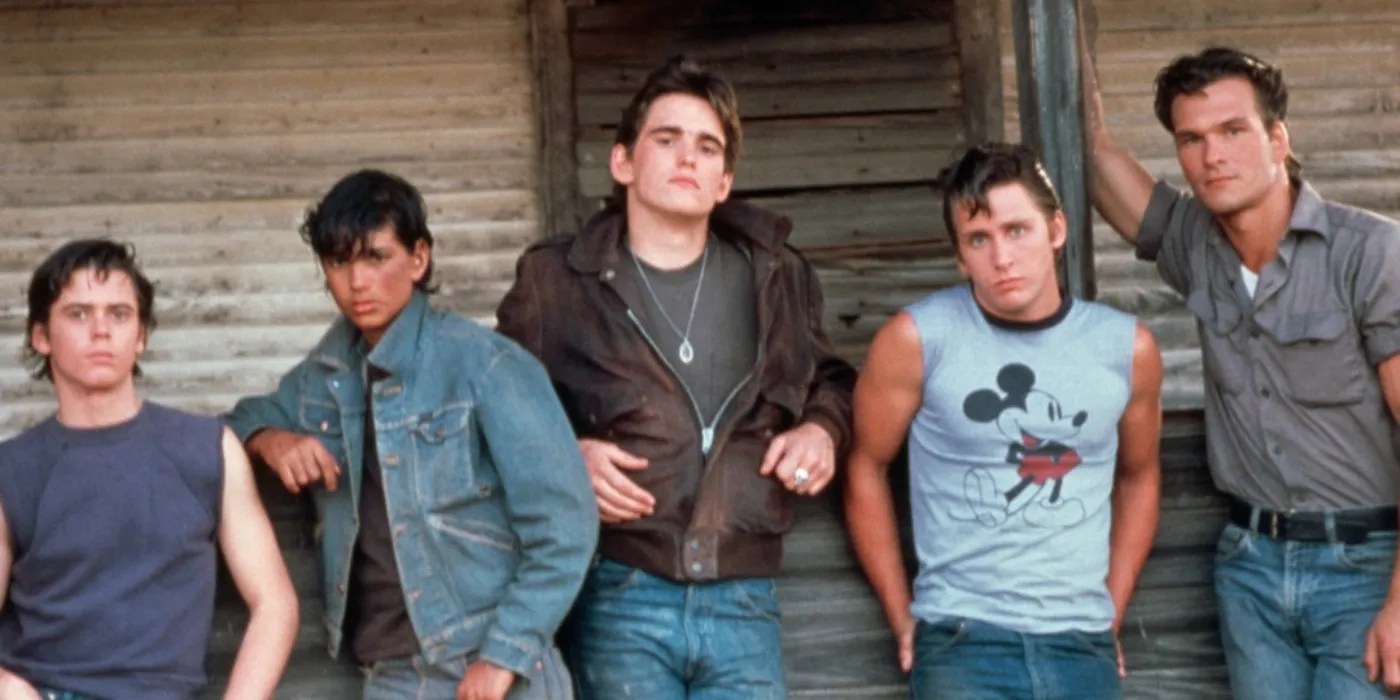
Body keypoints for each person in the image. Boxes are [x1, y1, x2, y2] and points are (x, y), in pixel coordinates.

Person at [495, 55, 856, 699]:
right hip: (620, 589)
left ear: (724, 182)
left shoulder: (779, 275)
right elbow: (494, 412)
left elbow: (833, 382)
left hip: (746, 595)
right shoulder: (555, 283)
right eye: (666, 139)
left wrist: (822, 431)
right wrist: (565, 456)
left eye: (707, 147)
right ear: (623, 162)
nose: (688, 156)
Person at [1081, 28, 1400, 698]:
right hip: (1250, 568)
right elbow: (1094, 154)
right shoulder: (1196, 245)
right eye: (1191, 139)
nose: (1212, 155)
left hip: (1366, 567)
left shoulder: (1370, 254)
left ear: (1278, 139)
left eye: (1232, 130)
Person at [225, 170, 596, 700]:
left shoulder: (485, 364)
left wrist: (504, 653)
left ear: (419, 258)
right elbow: (237, 421)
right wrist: (271, 439)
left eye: (376, 257)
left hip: (489, 662)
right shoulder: (325, 375)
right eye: (338, 262)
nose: (357, 282)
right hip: (391, 674)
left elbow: (565, 525)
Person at [844, 143, 1163, 699]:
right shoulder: (917, 339)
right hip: (962, 639)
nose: (1002, 257)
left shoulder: (1126, 348)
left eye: (1017, 230)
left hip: (1080, 642)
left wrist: (1109, 612)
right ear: (959, 256)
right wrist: (903, 617)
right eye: (979, 239)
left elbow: (1140, 476)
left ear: (1056, 229)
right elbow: (865, 468)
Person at [0, 239, 298, 700]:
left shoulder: (207, 448)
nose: (101, 331)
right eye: (78, 314)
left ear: (140, 336)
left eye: (119, 314)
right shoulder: (12, 468)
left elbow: (275, 604)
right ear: (41, 336)